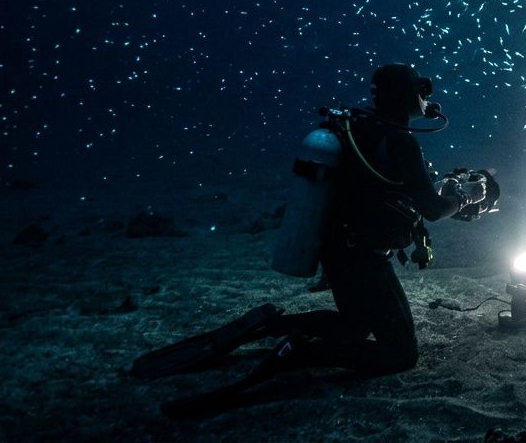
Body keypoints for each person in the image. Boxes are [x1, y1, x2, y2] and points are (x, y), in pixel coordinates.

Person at [129, 63, 497, 416]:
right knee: (400, 355)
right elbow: (431, 208)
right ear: (407, 95)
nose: (426, 96)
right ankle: (302, 353)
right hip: (362, 258)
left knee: (354, 326)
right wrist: (468, 196)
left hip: (337, 250)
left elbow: (388, 190)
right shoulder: (399, 140)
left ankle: (265, 325)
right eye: (421, 88)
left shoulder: (358, 127)